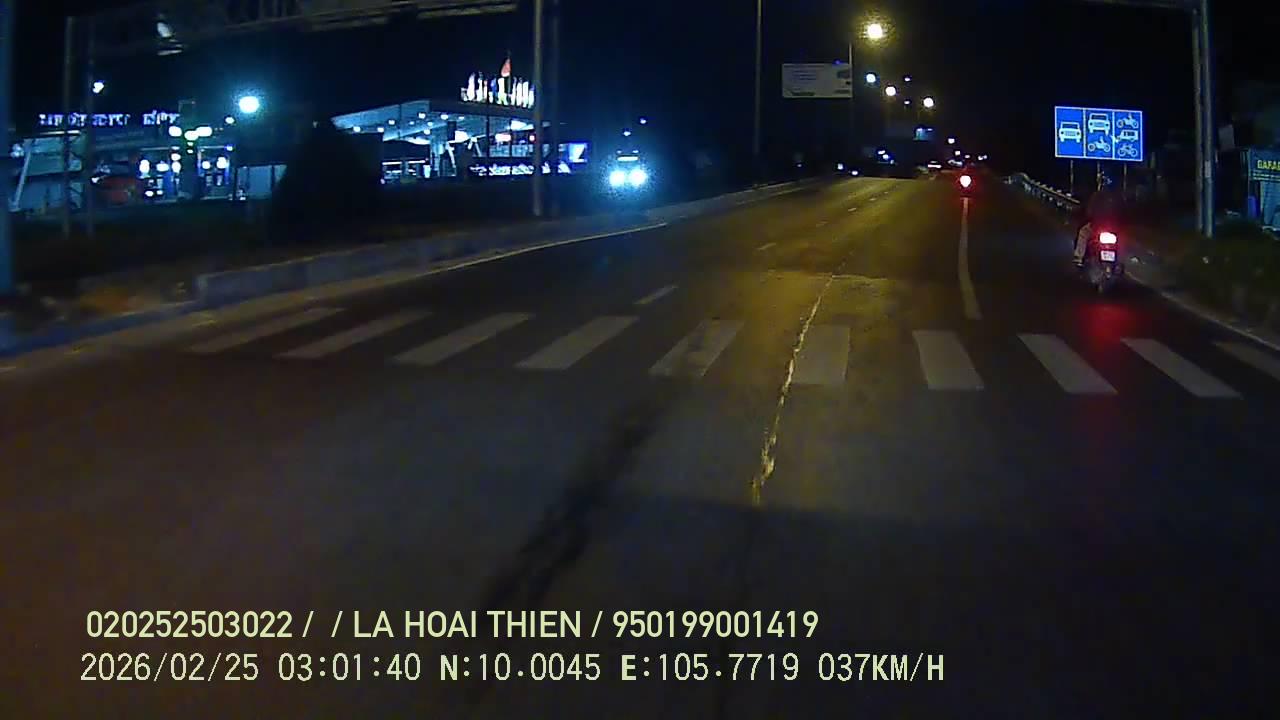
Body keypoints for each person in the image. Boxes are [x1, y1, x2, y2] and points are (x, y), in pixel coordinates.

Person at [1074, 174, 1123, 267]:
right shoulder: (1117, 197)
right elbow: (1123, 212)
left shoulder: (1097, 196)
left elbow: (1089, 212)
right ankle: (1119, 260)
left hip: (1097, 227)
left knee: (1083, 233)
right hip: (1113, 229)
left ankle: (1079, 257)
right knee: (1121, 241)